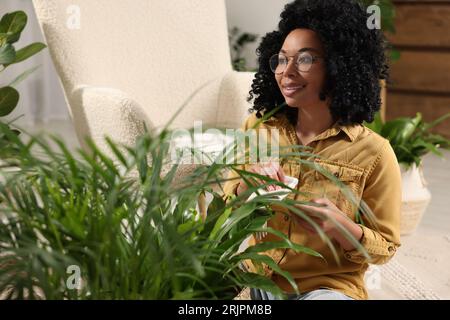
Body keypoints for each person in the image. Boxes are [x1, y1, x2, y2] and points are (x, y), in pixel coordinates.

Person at [223, 0, 401, 300]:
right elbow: (224, 209)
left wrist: (341, 226)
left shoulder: (375, 153)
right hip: (259, 281)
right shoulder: (258, 128)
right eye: (281, 59)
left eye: (305, 59)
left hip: (327, 288)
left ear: (338, 66)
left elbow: (384, 247)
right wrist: (247, 183)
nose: (286, 72)